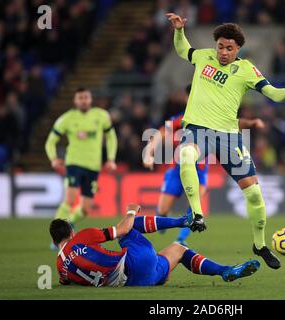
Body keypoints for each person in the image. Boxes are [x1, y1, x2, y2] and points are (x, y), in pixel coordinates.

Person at [166, 13, 285, 269]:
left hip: (229, 138)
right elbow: (183, 49)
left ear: (238, 49)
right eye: (220, 46)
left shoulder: (246, 69)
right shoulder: (203, 56)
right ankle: (197, 214)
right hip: (198, 129)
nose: (223, 52)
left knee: (255, 195)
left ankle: (259, 244)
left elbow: (272, 93)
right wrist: (179, 31)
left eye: (229, 48)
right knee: (185, 156)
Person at [143, 84, 265, 246]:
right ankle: (164, 219)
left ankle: (181, 240)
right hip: (177, 170)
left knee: (195, 206)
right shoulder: (183, 117)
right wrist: (149, 153)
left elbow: (234, 123)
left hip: (200, 172)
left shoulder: (213, 114)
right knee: (163, 210)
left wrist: (251, 123)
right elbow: (161, 132)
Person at [49, 204, 260, 286]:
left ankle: (226, 271)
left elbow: (65, 281)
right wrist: (131, 211)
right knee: (128, 227)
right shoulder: (82, 236)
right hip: (134, 264)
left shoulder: (60, 269)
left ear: (54, 242)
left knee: (178, 250)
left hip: (134, 282)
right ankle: (182, 221)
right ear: (71, 232)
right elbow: (121, 230)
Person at [45, 88, 118, 249]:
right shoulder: (67, 119)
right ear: (75, 100)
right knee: (70, 200)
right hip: (74, 164)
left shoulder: (101, 116)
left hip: (93, 166)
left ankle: (69, 222)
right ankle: (56, 238)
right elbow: (50, 141)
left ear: (90, 99)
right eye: (80, 98)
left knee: (85, 209)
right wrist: (53, 159)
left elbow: (111, 137)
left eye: (86, 97)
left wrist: (111, 158)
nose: (83, 100)